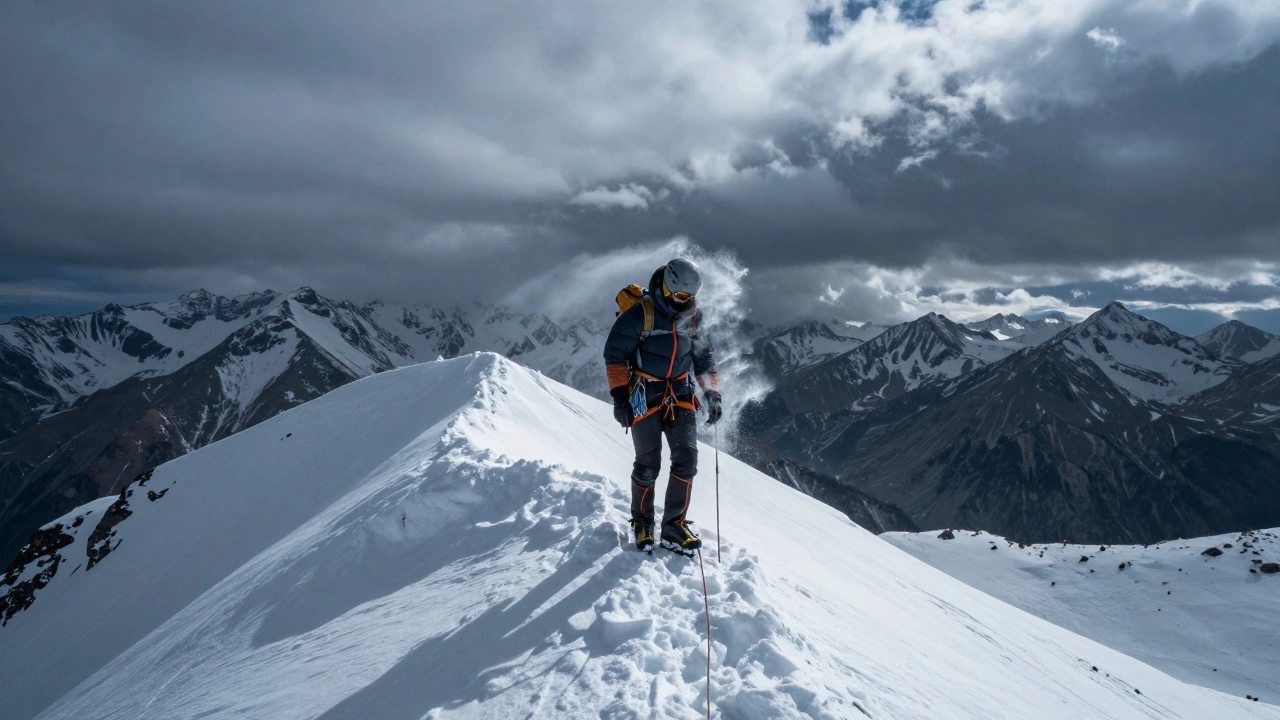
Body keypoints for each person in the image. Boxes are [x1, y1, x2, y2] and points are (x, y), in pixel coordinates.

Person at [603, 257, 722, 555]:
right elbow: (614, 355)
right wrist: (620, 400)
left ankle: (673, 525)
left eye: (691, 297)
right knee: (648, 464)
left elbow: (703, 359)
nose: (685, 302)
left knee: (687, 461)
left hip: (680, 392)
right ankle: (642, 522)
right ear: (668, 287)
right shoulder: (639, 315)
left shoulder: (693, 317)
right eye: (681, 296)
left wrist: (712, 394)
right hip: (644, 392)